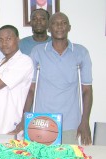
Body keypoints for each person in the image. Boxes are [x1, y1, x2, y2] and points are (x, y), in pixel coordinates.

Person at [11, 12, 93, 145]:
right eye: (55, 23)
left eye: (63, 23)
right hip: (42, 121)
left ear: (69, 27)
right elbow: (31, 89)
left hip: (70, 123)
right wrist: (24, 118)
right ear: (49, 28)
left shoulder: (81, 52)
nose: (59, 26)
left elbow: (87, 91)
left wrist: (85, 122)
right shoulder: (38, 51)